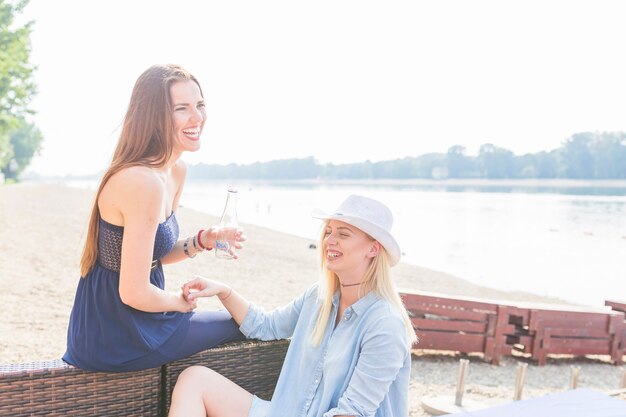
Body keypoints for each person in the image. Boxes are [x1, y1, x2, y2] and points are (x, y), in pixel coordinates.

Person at [63, 64, 246, 372]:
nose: (197, 117)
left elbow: (154, 256)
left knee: (240, 323)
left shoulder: (175, 171)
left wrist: (203, 240)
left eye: (200, 105)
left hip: (145, 316)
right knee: (243, 325)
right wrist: (178, 302)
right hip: (114, 332)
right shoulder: (142, 182)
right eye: (182, 109)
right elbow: (132, 292)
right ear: (155, 117)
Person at [168, 195, 417, 417]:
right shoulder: (317, 298)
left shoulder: (385, 324)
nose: (329, 240)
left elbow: (353, 412)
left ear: (373, 249)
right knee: (194, 380)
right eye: (328, 231)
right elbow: (266, 326)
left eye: (343, 234)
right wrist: (224, 291)